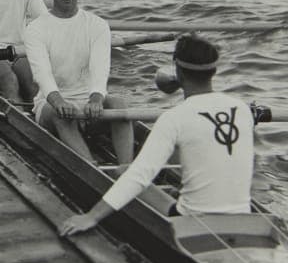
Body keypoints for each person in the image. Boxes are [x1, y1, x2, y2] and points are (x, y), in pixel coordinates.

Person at [58, 34, 255, 236]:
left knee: (125, 172)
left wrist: (91, 217)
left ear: (178, 72)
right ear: (213, 71)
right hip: (243, 218)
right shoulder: (242, 109)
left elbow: (138, 176)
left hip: (192, 222)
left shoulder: (174, 118)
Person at [24, 0, 134, 164]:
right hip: (52, 107)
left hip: (89, 106)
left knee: (118, 103)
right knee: (60, 114)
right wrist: (58, 101)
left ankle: (127, 168)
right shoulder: (36, 28)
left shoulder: (98, 25)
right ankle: (92, 168)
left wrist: (96, 99)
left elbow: (101, 68)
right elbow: (42, 75)